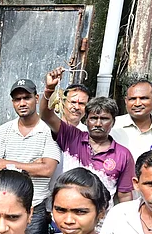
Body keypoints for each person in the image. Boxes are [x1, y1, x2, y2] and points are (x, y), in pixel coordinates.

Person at [41, 67, 135, 203]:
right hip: (64, 215)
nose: (98, 123)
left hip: (100, 221)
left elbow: (125, 196)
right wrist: (49, 89)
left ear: (113, 122)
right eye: (93, 118)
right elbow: (46, 115)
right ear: (86, 120)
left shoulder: (123, 155)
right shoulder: (72, 137)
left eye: (104, 119)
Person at [0, 78, 61, 234]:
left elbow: (47, 169)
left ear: (36, 98)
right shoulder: (4, 130)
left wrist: (7, 164)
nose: (22, 103)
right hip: (5, 206)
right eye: (17, 99)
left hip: (35, 206)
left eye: (26, 98)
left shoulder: (49, 130)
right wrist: (32, 165)